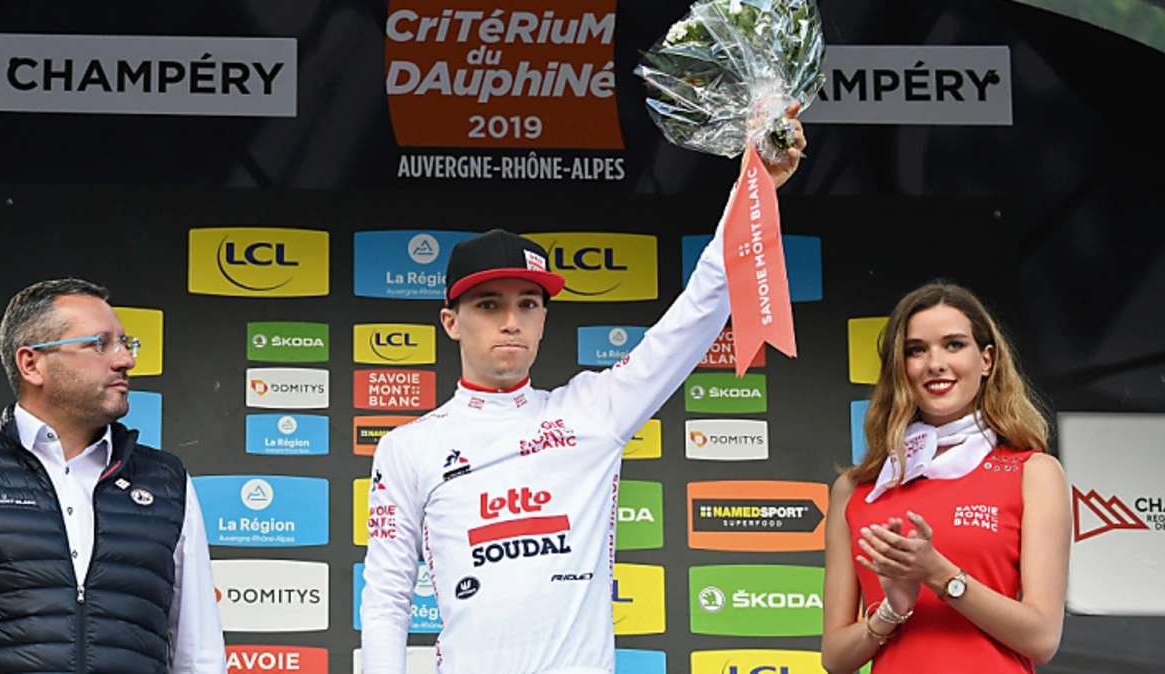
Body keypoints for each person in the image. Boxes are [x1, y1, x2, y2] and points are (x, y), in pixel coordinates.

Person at [359, 126, 806, 673]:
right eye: (488, 304)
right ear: (451, 321)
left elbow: (699, 309)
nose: (510, 321)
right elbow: (386, 600)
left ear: (544, 318)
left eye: (528, 304)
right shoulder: (409, 447)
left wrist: (755, 187)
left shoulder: (592, 410)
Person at [0, 279, 226, 673]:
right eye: (100, 345)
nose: (126, 360)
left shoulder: (165, 481)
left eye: (125, 343)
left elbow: (199, 654)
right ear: (31, 364)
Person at [821, 283, 1071, 674]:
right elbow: (835, 659)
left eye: (954, 345)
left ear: (986, 360)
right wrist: (890, 612)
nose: (935, 363)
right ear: (900, 367)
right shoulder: (857, 490)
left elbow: (1041, 639)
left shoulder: (1033, 472)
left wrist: (939, 574)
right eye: (916, 350)